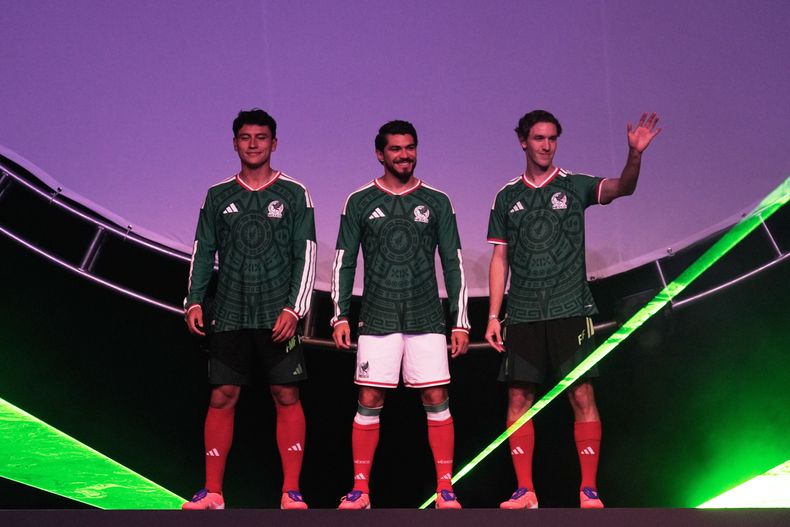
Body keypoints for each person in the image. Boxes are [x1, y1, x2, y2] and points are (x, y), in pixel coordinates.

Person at [485, 110, 661, 509]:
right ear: (523, 142)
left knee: (581, 395)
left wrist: (635, 156)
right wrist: (494, 315)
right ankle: (525, 492)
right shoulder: (506, 196)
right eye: (539, 139)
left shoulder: (575, 185)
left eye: (552, 139)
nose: (546, 146)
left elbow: (623, 188)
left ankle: (589, 490)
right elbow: (500, 258)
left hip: (570, 308)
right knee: (518, 400)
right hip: (525, 312)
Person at [331, 120, 470, 509]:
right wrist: (340, 315)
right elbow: (344, 261)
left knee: (437, 396)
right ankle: (360, 490)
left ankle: (445, 488)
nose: (404, 155)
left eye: (409, 147)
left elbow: (453, 262)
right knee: (370, 397)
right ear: (380, 153)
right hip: (377, 316)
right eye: (395, 149)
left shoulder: (437, 200)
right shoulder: (359, 201)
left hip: (426, 316)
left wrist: (460, 321)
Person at [182, 109, 316, 510]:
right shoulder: (217, 195)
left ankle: (291, 492)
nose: (253, 143)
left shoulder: (294, 193)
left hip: (278, 315)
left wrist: (295, 310)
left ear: (274, 143)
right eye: (245, 137)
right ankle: (213, 493)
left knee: (286, 394)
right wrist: (193, 300)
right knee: (222, 396)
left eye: (261, 137)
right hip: (230, 312)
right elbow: (202, 251)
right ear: (235, 143)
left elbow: (305, 255)